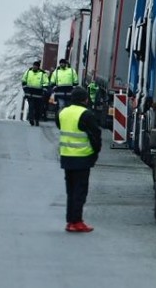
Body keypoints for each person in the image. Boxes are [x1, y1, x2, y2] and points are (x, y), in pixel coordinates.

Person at [58, 87, 101, 233]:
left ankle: (70, 221)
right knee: (80, 191)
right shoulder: (86, 114)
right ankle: (77, 221)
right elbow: (95, 136)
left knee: (70, 191)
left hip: (66, 157)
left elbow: (60, 126)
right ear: (85, 99)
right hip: (82, 158)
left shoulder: (63, 112)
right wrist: (95, 152)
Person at [21, 61, 49, 126]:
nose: (34, 67)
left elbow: (46, 83)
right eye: (34, 65)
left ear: (38, 67)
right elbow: (24, 81)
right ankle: (31, 119)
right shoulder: (28, 72)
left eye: (36, 66)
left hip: (38, 95)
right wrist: (26, 91)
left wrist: (44, 92)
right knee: (31, 107)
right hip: (30, 94)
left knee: (38, 109)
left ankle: (36, 119)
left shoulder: (43, 73)